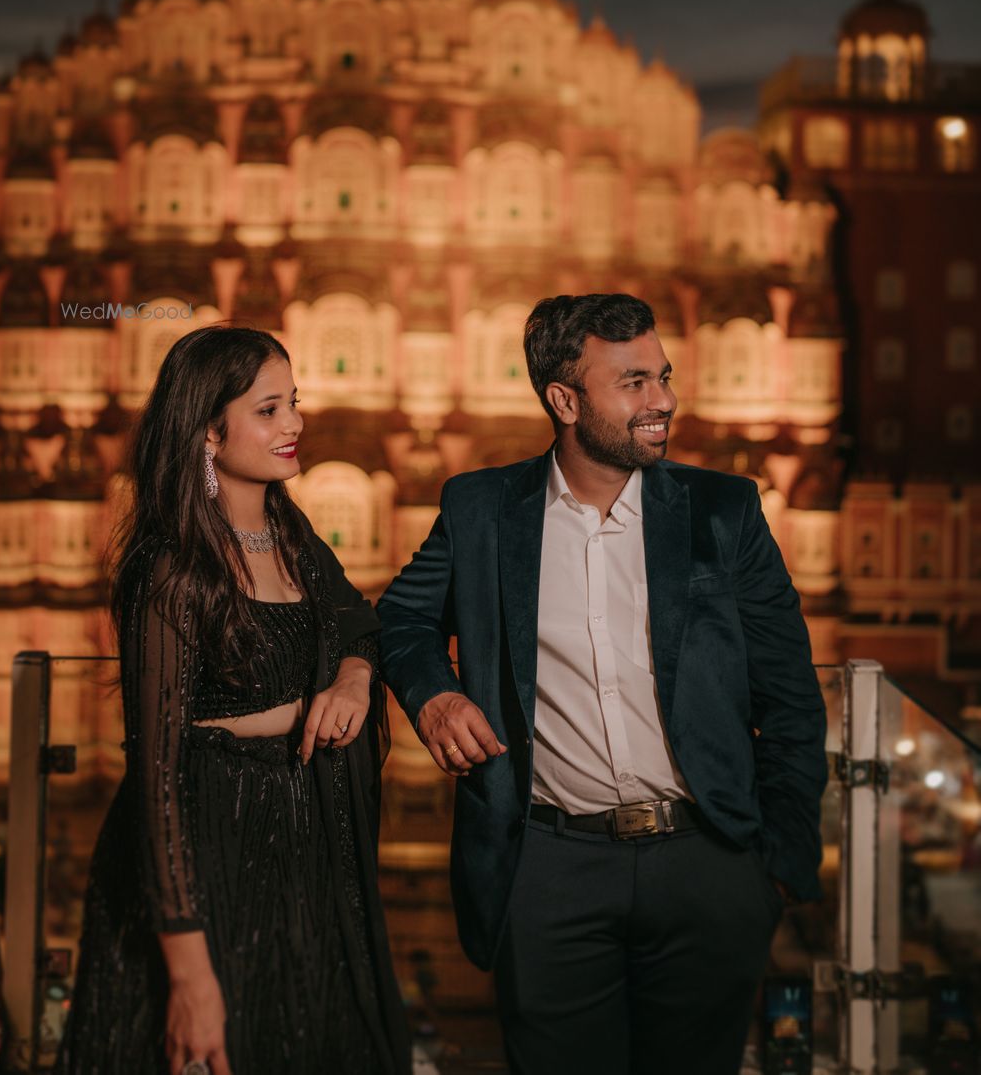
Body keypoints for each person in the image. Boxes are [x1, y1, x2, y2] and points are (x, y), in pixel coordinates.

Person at [378, 293, 827, 1075]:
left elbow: (790, 693)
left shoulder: (724, 512)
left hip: (708, 864)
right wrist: (435, 695)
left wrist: (776, 865)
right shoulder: (481, 509)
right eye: (633, 383)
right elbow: (400, 620)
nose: (662, 401)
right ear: (565, 399)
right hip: (549, 870)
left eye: (663, 376)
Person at [56, 325, 409, 1075]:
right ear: (210, 432)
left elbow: (357, 620)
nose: (295, 424)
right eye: (269, 409)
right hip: (208, 852)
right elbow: (156, 776)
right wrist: (188, 971)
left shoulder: (290, 530)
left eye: (294, 403)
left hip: (299, 853)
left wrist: (350, 676)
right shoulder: (171, 567)